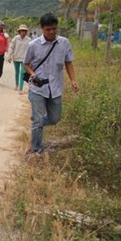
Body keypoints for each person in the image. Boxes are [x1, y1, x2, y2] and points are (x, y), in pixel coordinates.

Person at [23, 13, 79, 154]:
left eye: (54, 28)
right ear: (42, 28)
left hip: (56, 87)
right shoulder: (33, 45)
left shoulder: (64, 43)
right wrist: (33, 75)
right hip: (37, 88)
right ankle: (36, 149)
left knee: (55, 118)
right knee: (38, 119)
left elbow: (68, 62)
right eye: (48, 29)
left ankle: (37, 122)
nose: (52, 32)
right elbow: (26, 64)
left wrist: (73, 80)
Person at [7, 24, 32, 95]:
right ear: (19, 32)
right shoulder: (16, 38)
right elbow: (11, 47)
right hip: (16, 57)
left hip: (24, 59)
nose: (23, 32)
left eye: (24, 31)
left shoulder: (29, 40)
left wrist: (31, 59)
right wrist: (9, 55)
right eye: (21, 31)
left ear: (26, 32)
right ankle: (17, 85)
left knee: (22, 73)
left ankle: (20, 88)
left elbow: (31, 50)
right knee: (17, 72)